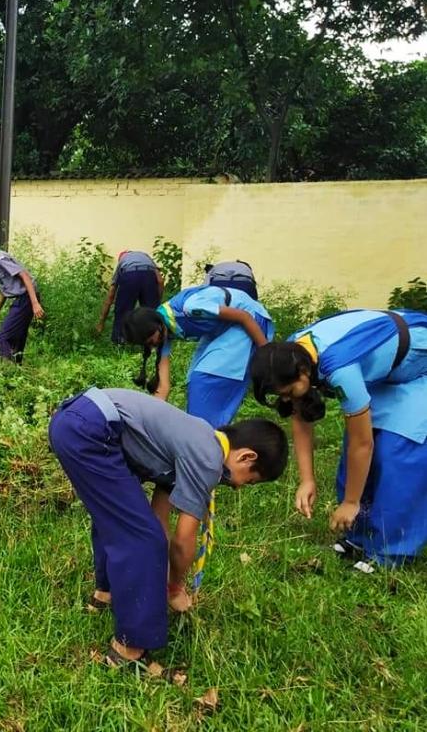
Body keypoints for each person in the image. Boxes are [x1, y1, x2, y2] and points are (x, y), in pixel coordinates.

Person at [49, 387, 287, 671]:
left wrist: (158, 573)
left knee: (123, 520)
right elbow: (183, 540)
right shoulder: (208, 459)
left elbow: (158, 518)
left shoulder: (199, 435)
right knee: (141, 539)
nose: (237, 487)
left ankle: (107, 594)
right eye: (248, 481)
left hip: (75, 420)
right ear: (247, 457)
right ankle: (128, 650)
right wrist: (174, 588)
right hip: (89, 429)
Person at [250, 309, 427, 567]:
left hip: (418, 369)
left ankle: (389, 552)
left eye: (288, 392)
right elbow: (300, 419)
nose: (287, 399)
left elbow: (362, 444)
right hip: (385, 374)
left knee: (396, 450)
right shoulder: (291, 353)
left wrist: (350, 501)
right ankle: (359, 536)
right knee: (356, 455)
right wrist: (307, 480)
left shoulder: (339, 368)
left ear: (303, 372)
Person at [122, 285, 273, 428]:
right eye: (149, 344)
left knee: (204, 379)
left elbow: (244, 316)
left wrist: (267, 354)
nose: (154, 344)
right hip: (221, 329)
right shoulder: (163, 331)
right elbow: (163, 387)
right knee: (192, 381)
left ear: (157, 324)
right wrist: (147, 419)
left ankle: (207, 436)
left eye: (152, 339)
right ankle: (206, 434)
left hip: (251, 321)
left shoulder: (191, 308)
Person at [0, 225, 44, 363]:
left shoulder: (0, 258)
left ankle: (6, 369)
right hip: (25, 299)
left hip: (26, 299)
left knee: (2, 338)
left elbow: (25, 276)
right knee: (18, 336)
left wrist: (35, 304)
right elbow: (4, 291)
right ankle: (17, 368)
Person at [96, 250, 164, 343]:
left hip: (130, 275)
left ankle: (119, 341)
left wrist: (101, 322)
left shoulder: (123, 262)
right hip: (149, 275)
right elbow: (160, 281)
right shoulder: (146, 256)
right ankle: (154, 342)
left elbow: (112, 292)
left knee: (123, 311)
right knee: (150, 312)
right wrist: (156, 300)